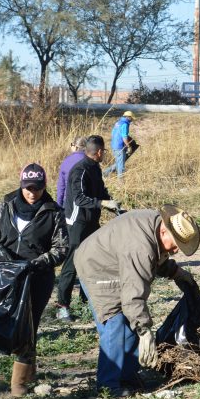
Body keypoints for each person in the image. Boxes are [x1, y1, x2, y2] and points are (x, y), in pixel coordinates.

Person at [74, 205, 200, 397]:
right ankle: (108, 385)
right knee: (115, 322)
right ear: (165, 230)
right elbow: (133, 295)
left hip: (116, 262)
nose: (176, 251)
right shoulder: (141, 247)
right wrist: (144, 330)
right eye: (175, 244)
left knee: (129, 323)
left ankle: (126, 375)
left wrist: (177, 273)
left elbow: (156, 258)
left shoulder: (155, 229)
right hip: (97, 266)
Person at [0, 163, 69, 396]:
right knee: (8, 322)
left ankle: (18, 384)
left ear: (44, 186)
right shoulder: (6, 204)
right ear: (21, 185)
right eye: (28, 188)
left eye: (37, 188)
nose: (32, 193)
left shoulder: (53, 211)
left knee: (28, 326)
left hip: (37, 278)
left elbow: (61, 248)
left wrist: (36, 263)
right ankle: (29, 371)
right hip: (7, 276)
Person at [56, 135, 120, 322]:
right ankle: (62, 306)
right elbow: (79, 199)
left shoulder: (95, 168)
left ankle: (87, 300)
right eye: (104, 151)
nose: (104, 154)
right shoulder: (80, 170)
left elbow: (100, 191)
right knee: (73, 262)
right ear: (99, 152)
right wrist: (102, 203)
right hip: (77, 222)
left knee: (92, 260)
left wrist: (112, 202)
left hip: (91, 220)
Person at [56, 137, 87, 207]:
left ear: (75, 147)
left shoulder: (66, 162)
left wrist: (58, 205)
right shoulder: (90, 162)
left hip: (68, 202)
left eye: (72, 145)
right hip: (86, 203)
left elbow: (61, 187)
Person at [107, 110, 136, 178]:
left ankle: (105, 173)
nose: (132, 120)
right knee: (121, 165)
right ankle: (121, 182)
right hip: (120, 146)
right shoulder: (125, 124)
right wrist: (129, 146)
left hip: (114, 145)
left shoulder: (118, 122)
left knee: (118, 162)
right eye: (131, 118)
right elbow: (124, 137)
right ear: (128, 117)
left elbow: (113, 133)